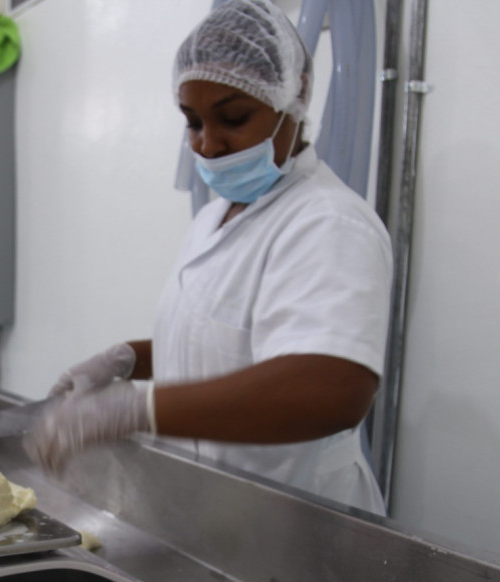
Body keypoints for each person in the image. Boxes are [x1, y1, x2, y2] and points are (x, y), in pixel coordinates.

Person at [25, 0, 393, 514]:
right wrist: (128, 359)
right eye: (193, 122)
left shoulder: (328, 223)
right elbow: (227, 343)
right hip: (215, 516)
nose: (208, 145)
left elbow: (332, 389)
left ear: (295, 97)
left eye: (234, 118)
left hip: (297, 523)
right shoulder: (215, 218)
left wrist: (134, 410)